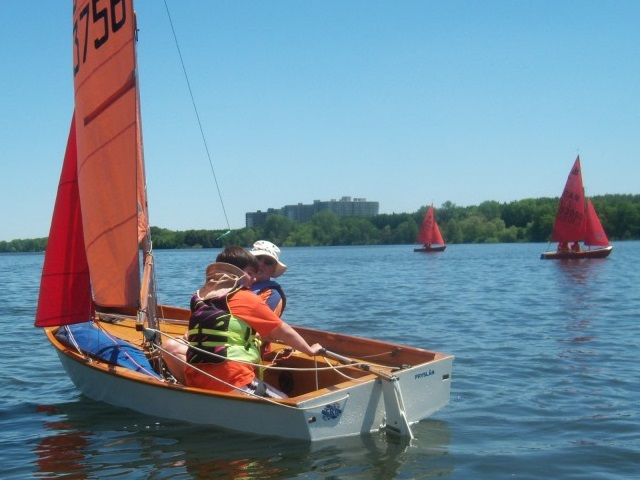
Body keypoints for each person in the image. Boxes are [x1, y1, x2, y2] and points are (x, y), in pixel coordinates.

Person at [184, 246, 323, 398]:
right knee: (287, 402)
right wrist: (309, 350)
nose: (253, 278)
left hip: (195, 379)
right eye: (249, 273)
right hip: (232, 379)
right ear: (235, 272)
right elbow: (281, 330)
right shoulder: (244, 297)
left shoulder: (197, 297)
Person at [249, 240, 287, 316]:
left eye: (268, 262)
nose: (260, 263)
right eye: (257, 258)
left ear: (273, 270)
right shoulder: (235, 284)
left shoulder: (272, 296)